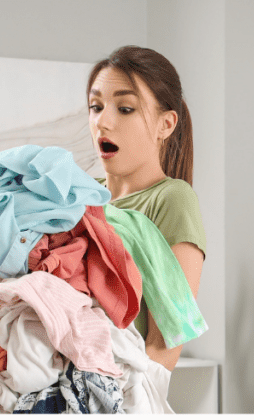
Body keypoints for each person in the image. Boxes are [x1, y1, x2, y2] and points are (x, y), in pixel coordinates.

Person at [87, 45, 205, 372]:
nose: (103, 122)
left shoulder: (171, 199)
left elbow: (167, 338)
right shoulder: (81, 195)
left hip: (112, 396)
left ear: (165, 125)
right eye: (96, 106)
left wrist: (119, 402)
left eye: (125, 108)